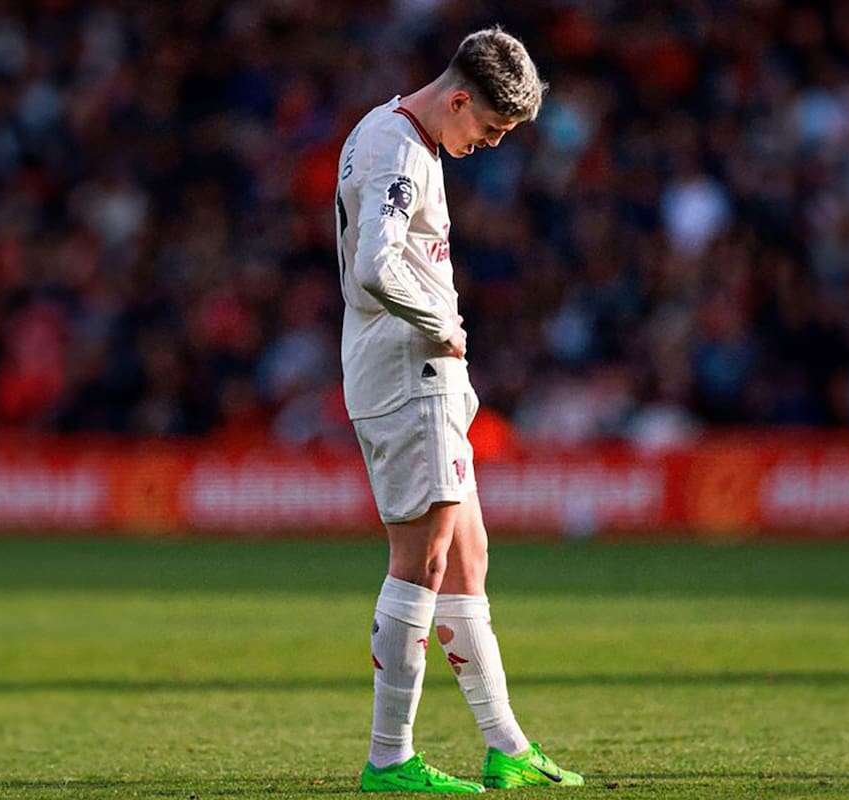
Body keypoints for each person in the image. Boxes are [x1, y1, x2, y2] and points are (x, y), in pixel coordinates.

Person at [335, 26, 584, 793]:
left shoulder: (385, 131)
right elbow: (377, 267)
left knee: (468, 556)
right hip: (408, 376)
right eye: (490, 127)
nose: (491, 144)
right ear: (458, 96)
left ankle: (506, 744)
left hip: (422, 381)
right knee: (424, 561)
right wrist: (438, 323)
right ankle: (390, 757)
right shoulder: (403, 150)